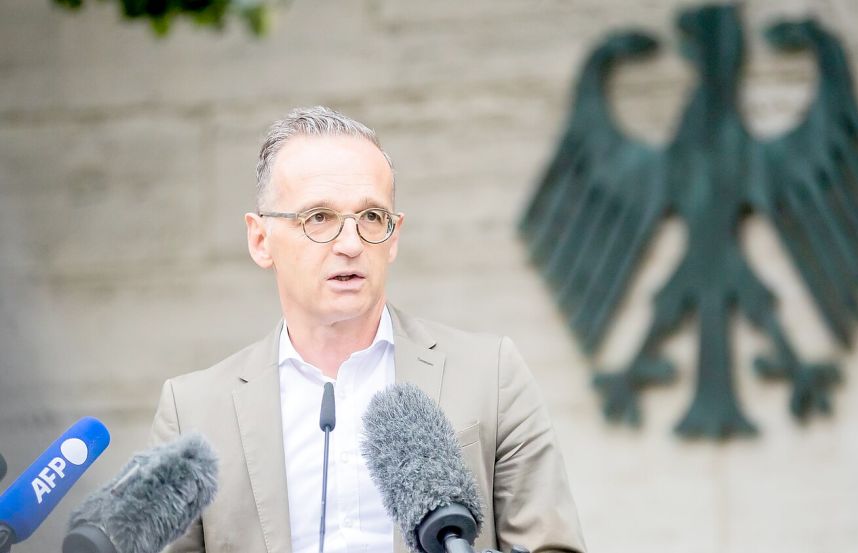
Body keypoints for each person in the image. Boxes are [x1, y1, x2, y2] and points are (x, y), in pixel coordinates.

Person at [150, 106, 586, 553]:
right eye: (318, 217)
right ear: (261, 240)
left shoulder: (490, 374)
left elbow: (553, 544)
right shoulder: (194, 412)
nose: (351, 244)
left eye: (372, 217)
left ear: (394, 237)